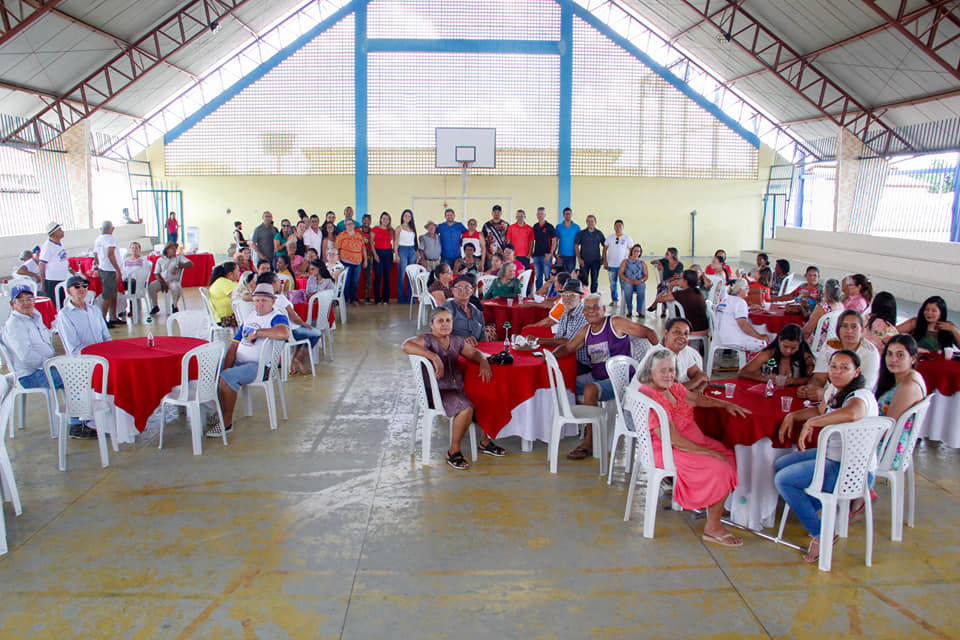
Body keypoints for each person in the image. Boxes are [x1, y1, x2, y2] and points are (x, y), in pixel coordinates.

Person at [628, 349, 746, 546]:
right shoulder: (652, 399)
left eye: (672, 370)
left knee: (731, 455)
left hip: (690, 443)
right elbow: (674, 440)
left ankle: (716, 505)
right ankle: (713, 528)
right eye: (663, 370)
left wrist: (724, 404)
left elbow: (696, 399)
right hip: (668, 450)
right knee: (720, 466)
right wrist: (709, 452)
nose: (669, 375)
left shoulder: (672, 387)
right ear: (650, 372)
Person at [775, 349, 879, 563]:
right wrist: (793, 416)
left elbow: (853, 413)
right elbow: (819, 411)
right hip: (833, 457)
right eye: (834, 367)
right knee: (781, 464)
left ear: (856, 372)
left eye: (845, 368)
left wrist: (811, 424)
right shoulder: (834, 389)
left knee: (783, 480)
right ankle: (819, 512)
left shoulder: (860, 395)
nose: (837, 372)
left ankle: (821, 533)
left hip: (852, 470)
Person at [551, 294, 658, 459]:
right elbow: (568, 348)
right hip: (597, 377)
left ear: (603, 309)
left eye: (595, 307)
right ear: (583, 312)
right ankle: (592, 421)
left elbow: (648, 332)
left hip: (621, 380)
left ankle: (590, 442)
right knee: (566, 384)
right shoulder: (586, 331)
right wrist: (550, 356)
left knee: (589, 390)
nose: (591, 311)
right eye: (587, 308)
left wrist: (660, 356)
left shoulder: (615, 323)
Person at [401, 308, 503, 469]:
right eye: (440, 321)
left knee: (488, 396)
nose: (444, 324)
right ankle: (453, 452)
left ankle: (485, 442)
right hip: (437, 392)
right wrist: (434, 356)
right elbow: (406, 345)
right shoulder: (426, 340)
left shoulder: (455, 341)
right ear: (432, 324)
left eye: (448, 320)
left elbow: (473, 353)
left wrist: (483, 361)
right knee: (466, 409)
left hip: (456, 388)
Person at [2, 284, 94, 438]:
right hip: (31, 375)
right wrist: (54, 364)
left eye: (29, 299)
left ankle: (86, 417)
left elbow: (46, 347)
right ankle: (77, 425)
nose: (26, 303)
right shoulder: (15, 325)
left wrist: (60, 360)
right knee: (74, 375)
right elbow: (27, 357)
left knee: (83, 367)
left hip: (46, 367)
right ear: (13, 304)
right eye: (21, 300)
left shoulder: (35, 316)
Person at [209, 283, 291, 438]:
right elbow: (235, 344)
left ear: (273, 301)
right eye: (257, 300)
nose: (259, 304)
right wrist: (225, 367)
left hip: (260, 367)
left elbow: (283, 333)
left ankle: (226, 423)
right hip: (241, 362)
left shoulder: (277, 317)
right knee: (213, 372)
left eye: (264, 300)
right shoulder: (251, 316)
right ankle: (219, 411)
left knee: (226, 378)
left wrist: (258, 332)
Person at [799, 309, 880, 399]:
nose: (849, 331)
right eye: (844, 326)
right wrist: (809, 389)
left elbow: (864, 390)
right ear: (838, 329)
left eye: (854, 327)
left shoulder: (870, 353)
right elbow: (819, 377)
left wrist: (828, 394)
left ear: (862, 330)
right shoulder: (831, 344)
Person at [638, 318, 708, 391]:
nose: (682, 337)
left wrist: (698, 391)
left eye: (686, 334)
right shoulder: (658, 355)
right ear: (666, 333)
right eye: (677, 332)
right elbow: (668, 391)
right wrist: (695, 382)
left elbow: (699, 375)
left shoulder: (684, 351)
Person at [738, 324, 815, 386]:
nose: (788, 351)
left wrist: (793, 381)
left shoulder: (805, 356)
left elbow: (815, 379)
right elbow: (742, 373)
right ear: (779, 340)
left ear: (799, 345)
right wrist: (765, 378)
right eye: (785, 346)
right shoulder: (769, 353)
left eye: (793, 348)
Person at [58, 275, 111, 354]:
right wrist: (96, 353)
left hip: (102, 354)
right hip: (82, 358)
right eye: (77, 286)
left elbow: (106, 336)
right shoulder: (65, 314)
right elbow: (73, 347)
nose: (81, 288)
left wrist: (108, 350)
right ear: (69, 291)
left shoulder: (95, 310)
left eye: (84, 285)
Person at [713, 278, 769, 351]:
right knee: (765, 344)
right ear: (740, 290)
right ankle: (750, 358)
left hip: (719, 337)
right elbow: (743, 325)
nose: (748, 290)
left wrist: (748, 308)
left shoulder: (725, 299)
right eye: (746, 288)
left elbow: (730, 312)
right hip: (733, 340)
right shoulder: (740, 302)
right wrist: (759, 336)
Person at [651, 270, 708, 334]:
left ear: (685, 281)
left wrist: (670, 285)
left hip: (691, 330)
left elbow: (659, 299)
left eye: (680, 278)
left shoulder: (681, 294)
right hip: (704, 329)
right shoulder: (699, 292)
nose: (678, 280)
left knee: (668, 329)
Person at [92, 220, 124, 326]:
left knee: (113, 294)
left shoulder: (98, 239)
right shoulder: (110, 239)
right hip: (110, 270)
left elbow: (95, 255)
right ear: (112, 229)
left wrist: (99, 264)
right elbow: (110, 254)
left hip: (103, 269)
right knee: (108, 296)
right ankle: (103, 319)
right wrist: (117, 270)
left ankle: (113, 317)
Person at [148, 242, 193, 314]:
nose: (175, 250)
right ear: (167, 250)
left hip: (173, 280)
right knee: (151, 286)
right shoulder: (160, 259)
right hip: (162, 280)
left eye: (175, 248)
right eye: (172, 248)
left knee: (176, 287)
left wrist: (178, 266)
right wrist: (163, 283)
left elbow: (190, 264)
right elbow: (156, 273)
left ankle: (174, 305)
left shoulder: (179, 258)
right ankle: (155, 306)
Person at [38, 221, 76, 306]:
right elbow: (42, 264)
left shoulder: (60, 243)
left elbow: (62, 259)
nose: (62, 231)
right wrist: (43, 282)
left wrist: (70, 269)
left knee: (63, 303)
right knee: (55, 304)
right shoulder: (47, 247)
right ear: (54, 233)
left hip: (62, 278)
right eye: (60, 230)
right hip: (52, 280)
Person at [442, 274, 485, 345]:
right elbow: (439, 335)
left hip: (476, 350)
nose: (463, 290)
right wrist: (461, 340)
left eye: (467, 287)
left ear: (472, 291)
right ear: (452, 290)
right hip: (453, 349)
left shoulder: (477, 312)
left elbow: (483, 336)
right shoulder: (447, 309)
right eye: (459, 287)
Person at [803, 278, 843, 347]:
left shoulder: (821, 308)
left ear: (825, 291)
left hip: (818, 344)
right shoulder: (841, 306)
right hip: (831, 342)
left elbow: (808, 331)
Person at [336, 218, 366, 305]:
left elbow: (363, 248)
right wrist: (338, 262)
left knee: (355, 282)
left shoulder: (359, 235)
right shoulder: (341, 235)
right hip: (345, 263)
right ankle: (345, 300)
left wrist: (365, 260)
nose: (350, 226)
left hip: (357, 263)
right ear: (345, 226)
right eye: (348, 224)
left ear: (354, 225)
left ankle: (353, 299)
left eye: (351, 224)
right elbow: (337, 249)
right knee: (346, 282)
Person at [603, 220, 632, 306]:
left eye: (620, 226)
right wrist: (605, 261)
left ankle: (624, 301)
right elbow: (604, 250)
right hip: (611, 265)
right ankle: (614, 300)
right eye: (616, 226)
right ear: (614, 227)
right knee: (612, 284)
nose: (618, 227)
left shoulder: (627, 238)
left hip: (623, 266)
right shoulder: (610, 237)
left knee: (623, 284)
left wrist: (629, 263)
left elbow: (631, 251)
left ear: (623, 227)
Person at [648, 247, 683, 316]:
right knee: (664, 289)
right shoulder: (665, 261)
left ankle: (656, 304)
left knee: (664, 287)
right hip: (665, 283)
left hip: (674, 283)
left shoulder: (679, 265)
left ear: (673, 255)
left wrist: (665, 281)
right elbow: (652, 262)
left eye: (667, 254)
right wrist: (660, 264)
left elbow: (675, 277)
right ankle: (662, 310)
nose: (665, 255)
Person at [393, 209, 418, 305]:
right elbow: (395, 242)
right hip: (402, 250)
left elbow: (415, 242)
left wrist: (416, 254)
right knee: (402, 275)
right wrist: (396, 254)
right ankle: (401, 298)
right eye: (405, 215)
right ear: (402, 217)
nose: (407, 217)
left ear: (411, 218)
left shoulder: (412, 228)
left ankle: (410, 298)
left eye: (409, 216)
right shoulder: (399, 228)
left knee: (411, 276)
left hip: (411, 250)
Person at [574, 215, 604, 293]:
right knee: (583, 280)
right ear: (586, 222)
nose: (590, 223)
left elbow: (605, 245)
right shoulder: (581, 233)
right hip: (584, 262)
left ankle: (593, 296)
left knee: (595, 280)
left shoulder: (599, 233)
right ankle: (584, 295)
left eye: (592, 221)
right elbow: (576, 245)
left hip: (596, 262)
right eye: (588, 221)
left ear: (595, 222)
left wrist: (603, 258)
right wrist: (579, 258)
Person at [617, 244, 647, 318]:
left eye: (638, 251)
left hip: (638, 281)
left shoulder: (642, 263)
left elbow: (646, 275)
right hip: (628, 280)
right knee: (628, 288)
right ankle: (629, 309)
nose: (636, 252)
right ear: (631, 251)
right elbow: (620, 274)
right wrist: (628, 280)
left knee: (642, 287)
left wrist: (640, 280)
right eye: (635, 251)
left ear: (640, 253)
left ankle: (640, 310)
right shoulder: (625, 261)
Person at [530, 207, 556, 290]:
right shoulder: (535, 226)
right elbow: (532, 241)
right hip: (536, 256)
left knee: (548, 277)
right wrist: (531, 252)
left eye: (542, 214)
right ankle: (539, 294)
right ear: (536, 215)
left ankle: (549, 294)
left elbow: (554, 242)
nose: (540, 215)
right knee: (538, 278)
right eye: (538, 214)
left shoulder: (549, 227)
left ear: (545, 215)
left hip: (546, 256)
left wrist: (550, 254)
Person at [371, 212, 394, 305]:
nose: (385, 220)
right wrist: (375, 255)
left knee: (387, 277)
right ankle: (377, 299)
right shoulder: (375, 229)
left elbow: (395, 241)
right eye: (384, 218)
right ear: (380, 219)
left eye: (387, 219)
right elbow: (371, 243)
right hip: (378, 252)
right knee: (378, 276)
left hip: (388, 253)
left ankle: (385, 299)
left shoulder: (391, 230)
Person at [208, 262, 240, 326]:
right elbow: (236, 297)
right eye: (238, 271)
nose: (239, 273)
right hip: (225, 319)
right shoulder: (222, 282)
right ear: (230, 274)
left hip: (229, 316)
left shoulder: (231, 281)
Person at [481, 205, 509, 269]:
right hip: (491, 255)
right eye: (495, 212)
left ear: (501, 213)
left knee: (503, 273)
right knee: (491, 273)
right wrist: (487, 254)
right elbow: (483, 242)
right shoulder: (487, 225)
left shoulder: (506, 225)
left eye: (498, 212)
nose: (496, 214)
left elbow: (509, 240)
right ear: (492, 213)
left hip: (503, 255)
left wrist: (507, 254)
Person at [554, 207, 580, 274]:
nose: (568, 215)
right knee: (557, 274)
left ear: (571, 215)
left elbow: (578, 243)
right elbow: (555, 241)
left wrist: (579, 256)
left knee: (569, 275)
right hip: (560, 255)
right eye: (566, 214)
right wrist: (554, 253)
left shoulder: (576, 227)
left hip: (572, 256)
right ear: (563, 215)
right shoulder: (559, 227)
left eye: (569, 214)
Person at [358, 213, 374, 303]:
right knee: (356, 277)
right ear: (362, 221)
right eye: (365, 220)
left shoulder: (372, 231)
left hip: (369, 257)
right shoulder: (358, 230)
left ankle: (367, 297)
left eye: (368, 220)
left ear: (370, 221)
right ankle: (354, 297)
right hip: (358, 257)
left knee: (368, 278)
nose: (366, 222)